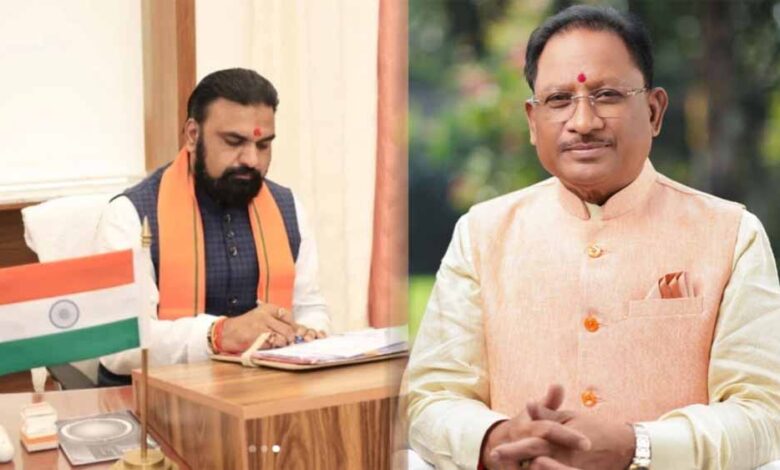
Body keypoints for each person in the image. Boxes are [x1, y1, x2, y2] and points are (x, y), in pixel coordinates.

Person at [405, 6, 780, 470]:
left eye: (606, 95)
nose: (583, 121)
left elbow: (764, 415)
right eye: (559, 99)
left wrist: (636, 446)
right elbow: (430, 398)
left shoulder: (731, 234)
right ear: (532, 120)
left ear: (654, 111)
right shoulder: (483, 234)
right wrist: (496, 440)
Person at [95, 68, 330, 386]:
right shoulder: (130, 216)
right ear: (193, 135)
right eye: (234, 142)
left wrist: (308, 332)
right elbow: (118, 347)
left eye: (263, 145)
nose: (252, 159)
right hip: (156, 404)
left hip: (266, 395)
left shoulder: (289, 208)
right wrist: (218, 335)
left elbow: (310, 307)